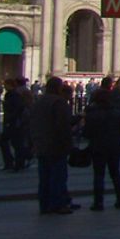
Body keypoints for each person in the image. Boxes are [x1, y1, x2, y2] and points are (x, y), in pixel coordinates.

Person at [28, 76, 74, 215]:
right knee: (58, 176)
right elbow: (63, 125)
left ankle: (44, 204)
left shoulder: (39, 101)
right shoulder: (58, 102)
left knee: (44, 177)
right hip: (56, 144)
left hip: (41, 142)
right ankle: (58, 204)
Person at [83, 86, 120, 210]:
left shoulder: (92, 114)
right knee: (115, 173)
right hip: (115, 146)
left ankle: (98, 202)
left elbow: (86, 133)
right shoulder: (117, 112)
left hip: (98, 146)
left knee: (98, 174)